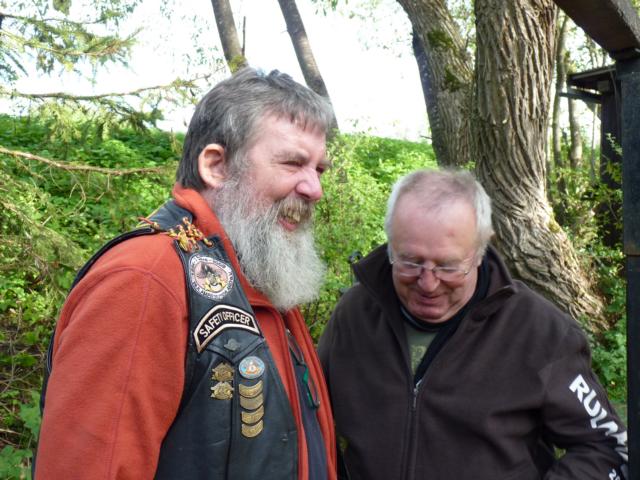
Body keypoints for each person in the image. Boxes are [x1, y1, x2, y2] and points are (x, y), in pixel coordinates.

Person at [35, 67, 337, 480]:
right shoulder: (144, 278)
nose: (314, 189)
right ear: (216, 166)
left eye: (319, 169)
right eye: (292, 163)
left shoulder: (262, 271)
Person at [318, 169, 627, 480]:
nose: (428, 283)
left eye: (448, 267)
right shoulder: (353, 317)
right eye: (410, 262)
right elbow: (308, 423)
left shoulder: (540, 333)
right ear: (390, 247)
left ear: (480, 252)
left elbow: (606, 449)